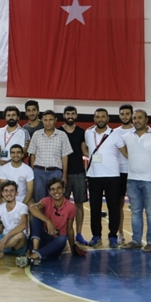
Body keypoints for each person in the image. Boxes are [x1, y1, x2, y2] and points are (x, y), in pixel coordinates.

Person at [84, 108, 128, 248]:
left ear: (108, 119)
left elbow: (126, 153)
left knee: (113, 208)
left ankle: (113, 236)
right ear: (94, 119)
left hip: (112, 176)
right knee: (94, 208)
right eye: (98, 117)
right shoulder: (88, 133)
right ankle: (96, 236)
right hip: (94, 176)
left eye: (103, 116)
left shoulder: (115, 135)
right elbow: (85, 148)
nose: (100, 119)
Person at [121, 109, 151, 252]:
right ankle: (136, 240)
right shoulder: (126, 136)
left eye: (139, 117)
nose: (136, 120)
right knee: (135, 212)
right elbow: (114, 141)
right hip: (132, 180)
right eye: (134, 118)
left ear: (146, 119)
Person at [19, 178, 79, 267]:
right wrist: (48, 221)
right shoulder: (46, 201)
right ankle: (35, 250)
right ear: (50, 192)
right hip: (41, 240)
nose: (56, 191)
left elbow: (70, 229)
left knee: (62, 239)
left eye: (58, 188)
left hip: (55, 245)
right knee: (36, 217)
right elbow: (32, 207)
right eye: (53, 189)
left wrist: (73, 247)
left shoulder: (71, 207)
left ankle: (33, 256)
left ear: (63, 190)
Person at [58, 106, 89, 246]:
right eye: (68, 113)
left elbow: (84, 151)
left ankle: (79, 233)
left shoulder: (81, 131)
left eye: (72, 113)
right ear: (64, 115)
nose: (70, 116)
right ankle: (63, 233)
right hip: (62, 173)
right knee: (61, 205)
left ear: (76, 115)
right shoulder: (58, 131)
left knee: (79, 204)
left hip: (78, 173)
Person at [27, 110, 73, 203]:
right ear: (42, 121)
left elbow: (65, 157)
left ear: (55, 120)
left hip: (55, 172)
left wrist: (64, 176)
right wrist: (32, 172)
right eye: (45, 120)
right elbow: (32, 155)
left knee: (54, 200)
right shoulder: (36, 134)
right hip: (38, 172)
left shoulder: (62, 135)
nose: (48, 123)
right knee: (39, 201)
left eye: (50, 120)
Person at [114, 104, 134, 245]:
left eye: (127, 114)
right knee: (118, 204)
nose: (125, 116)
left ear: (131, 115)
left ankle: (137, 236)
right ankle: (120, 233)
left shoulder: (138, 131)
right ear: (119, 115)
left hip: (134, 173)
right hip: (118, 173)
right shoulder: (114, 132)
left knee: (136, 205)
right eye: (122, 114)